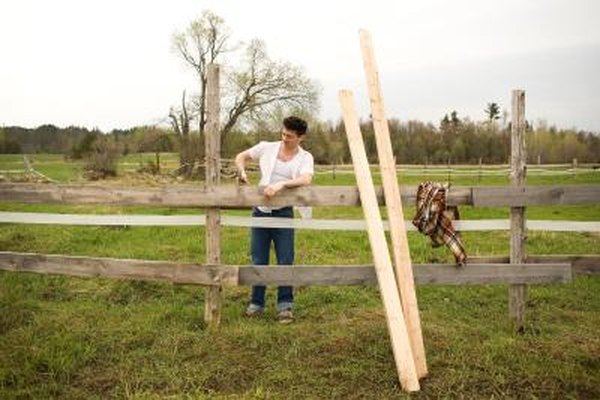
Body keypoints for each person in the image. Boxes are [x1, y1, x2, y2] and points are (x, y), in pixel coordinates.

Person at [234, 116, 314, 323]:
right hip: (260, 211)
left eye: (289, 136)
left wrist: (282, 185)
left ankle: (285, 306)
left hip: (283, 212)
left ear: (301, 137)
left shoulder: (305, 157)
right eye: (283, 133)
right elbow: (241, 156)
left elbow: (306, 178)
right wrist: (241, 171)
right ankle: (256, 303)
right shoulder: (267, 147)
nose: (284, 138)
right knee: (259, 259)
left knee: (285, 260)